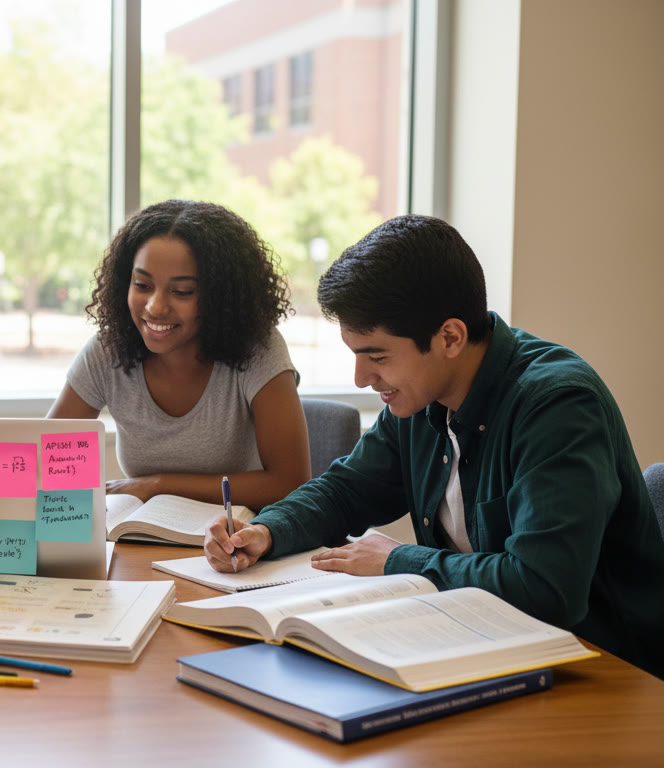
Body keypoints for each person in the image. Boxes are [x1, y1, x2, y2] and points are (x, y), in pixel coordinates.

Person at [206, 214, 664, 678]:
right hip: (483, 647)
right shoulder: (420, 400)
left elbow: (546, 591)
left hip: (609, 675)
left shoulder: (558, 407)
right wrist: (265, 531)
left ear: (449, 337)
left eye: (377, 357)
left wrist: (397, 561)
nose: (362, 379)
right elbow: (343, 491)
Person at [47, 199, 311, 509]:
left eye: (182, 291)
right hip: (144, 540)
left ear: (221, 296)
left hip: (240, 543)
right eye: (142, 285)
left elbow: (290, 483)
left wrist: (158, 486)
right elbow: (47, 458)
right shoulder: (108, 352)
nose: (156, 307)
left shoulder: (258, 350)